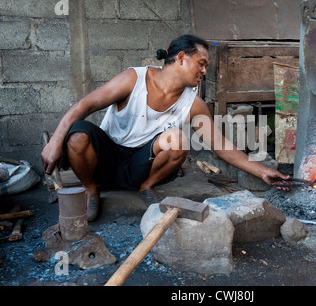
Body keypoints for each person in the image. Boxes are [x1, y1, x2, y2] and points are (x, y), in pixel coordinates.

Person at [41, 34, 290, 221]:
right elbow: (84, 105)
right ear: (181, 58)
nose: (204, 71)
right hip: (108, 158)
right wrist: (55, 142)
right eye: (201, 64)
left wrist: (261, 171)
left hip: (142, 165)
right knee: (78, 134)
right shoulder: (134, 79)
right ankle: (91, 190)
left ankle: (146, 187)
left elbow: (221, 147)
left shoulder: (194, 104)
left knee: (178, 139)